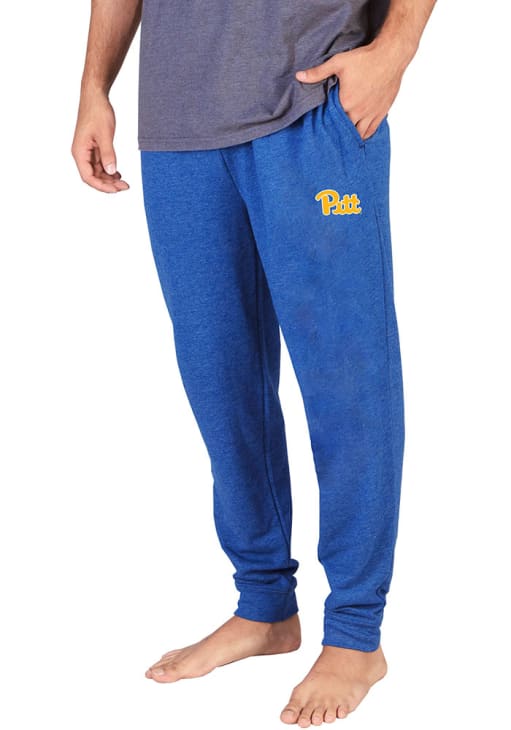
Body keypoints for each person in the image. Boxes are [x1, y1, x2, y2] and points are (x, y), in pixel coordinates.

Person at [71, 1, 436, 725]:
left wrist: (395, 49)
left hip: (311, 106)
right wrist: (93, 87)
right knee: (220, 379)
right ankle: (265, 606)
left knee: (346, 381)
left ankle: (356, 634)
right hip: (179, 122)